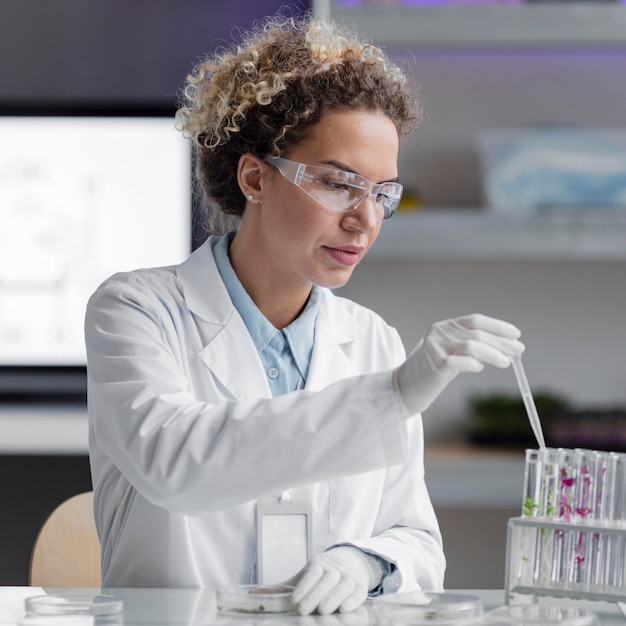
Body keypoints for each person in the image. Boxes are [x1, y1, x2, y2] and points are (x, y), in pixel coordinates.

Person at [85, 13, 524, 616]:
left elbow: (417, 541)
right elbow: (173, 463)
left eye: (382, 193)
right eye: (339, 184)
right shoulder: (136, 311)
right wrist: (389, 399)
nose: (364, 221)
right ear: (255, 177)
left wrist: (362, 563)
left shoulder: (371, 340)